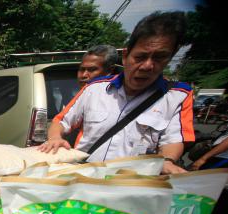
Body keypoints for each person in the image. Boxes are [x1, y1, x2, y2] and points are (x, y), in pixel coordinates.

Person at [40, 11, 193, 175]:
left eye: (159, 58)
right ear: (126, 56)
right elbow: (61, 121)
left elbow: (173, 140)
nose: (147, 66)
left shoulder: (178, 95)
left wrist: (167, 161)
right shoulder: (94, 88)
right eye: (140, 57)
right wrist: (55, 138)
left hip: (131, 182)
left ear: (170, 58)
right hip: (83, 175)